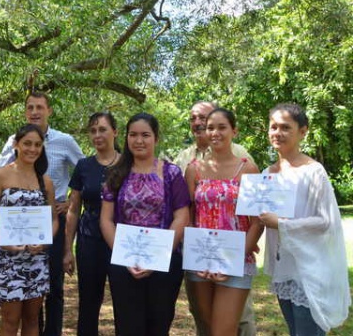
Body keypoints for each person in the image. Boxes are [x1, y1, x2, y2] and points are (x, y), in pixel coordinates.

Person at [0, 91, 84, 336]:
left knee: (53, 284)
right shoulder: (14, 140)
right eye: (30, 107)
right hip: (17, 226)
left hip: (53, 219)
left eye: (40, 107)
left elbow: (85, 172)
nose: (35, 112)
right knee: (30, 297)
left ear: (49, 111)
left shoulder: (64, 140)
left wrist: (70, 202)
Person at [259, 103, 350, 335]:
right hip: (284, 269)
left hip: (309, 271)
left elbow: (326, 221)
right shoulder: (266, 175)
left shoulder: (313, 171)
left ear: (303, 131)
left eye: (285, 127)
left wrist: (281, 224)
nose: (277, 133)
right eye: (273, 127)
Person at [100, 112, 190, 336]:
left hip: (164, 264)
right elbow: (106, 219)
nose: (138, 140)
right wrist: (125, 254)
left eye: (145, 135)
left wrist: (158, 256)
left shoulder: (172, 173)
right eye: (133, 135)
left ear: (156, 138)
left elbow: (181, 216)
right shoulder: (115, 173)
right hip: (124, 263)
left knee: (158, 326)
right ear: (126, 138)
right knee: (128, 327)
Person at [174, 101, 257, 336]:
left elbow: (258, 219)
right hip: (200, 260)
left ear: (234, 131)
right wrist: (198, 257)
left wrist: (237, 254)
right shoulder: (193, 167)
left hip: (234, 258)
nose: (214, 133)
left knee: (227, 329)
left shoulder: (247, 167)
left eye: (221, 127)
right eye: (211, 128)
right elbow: (188, 215)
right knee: (206, 326)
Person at [0, 124, 58, 336]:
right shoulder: (1, 175)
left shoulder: (46, 181)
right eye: (27, 143)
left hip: (37, 260)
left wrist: (45, 241)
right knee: (10, 320)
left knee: (32, 319)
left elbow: (54, 220)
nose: (32, 149)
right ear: (16, 144)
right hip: (9, 259)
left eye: (37, 145)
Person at [63, 112, 120, 336]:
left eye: (103, 129)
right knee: (88, 304)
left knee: (125, 303)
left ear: (115, 132)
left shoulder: (128, 163)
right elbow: (73, 209)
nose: (97, 135)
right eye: (93, 130)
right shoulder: (84, 166)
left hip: (120, 240)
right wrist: (68, 249)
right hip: (89, 240)